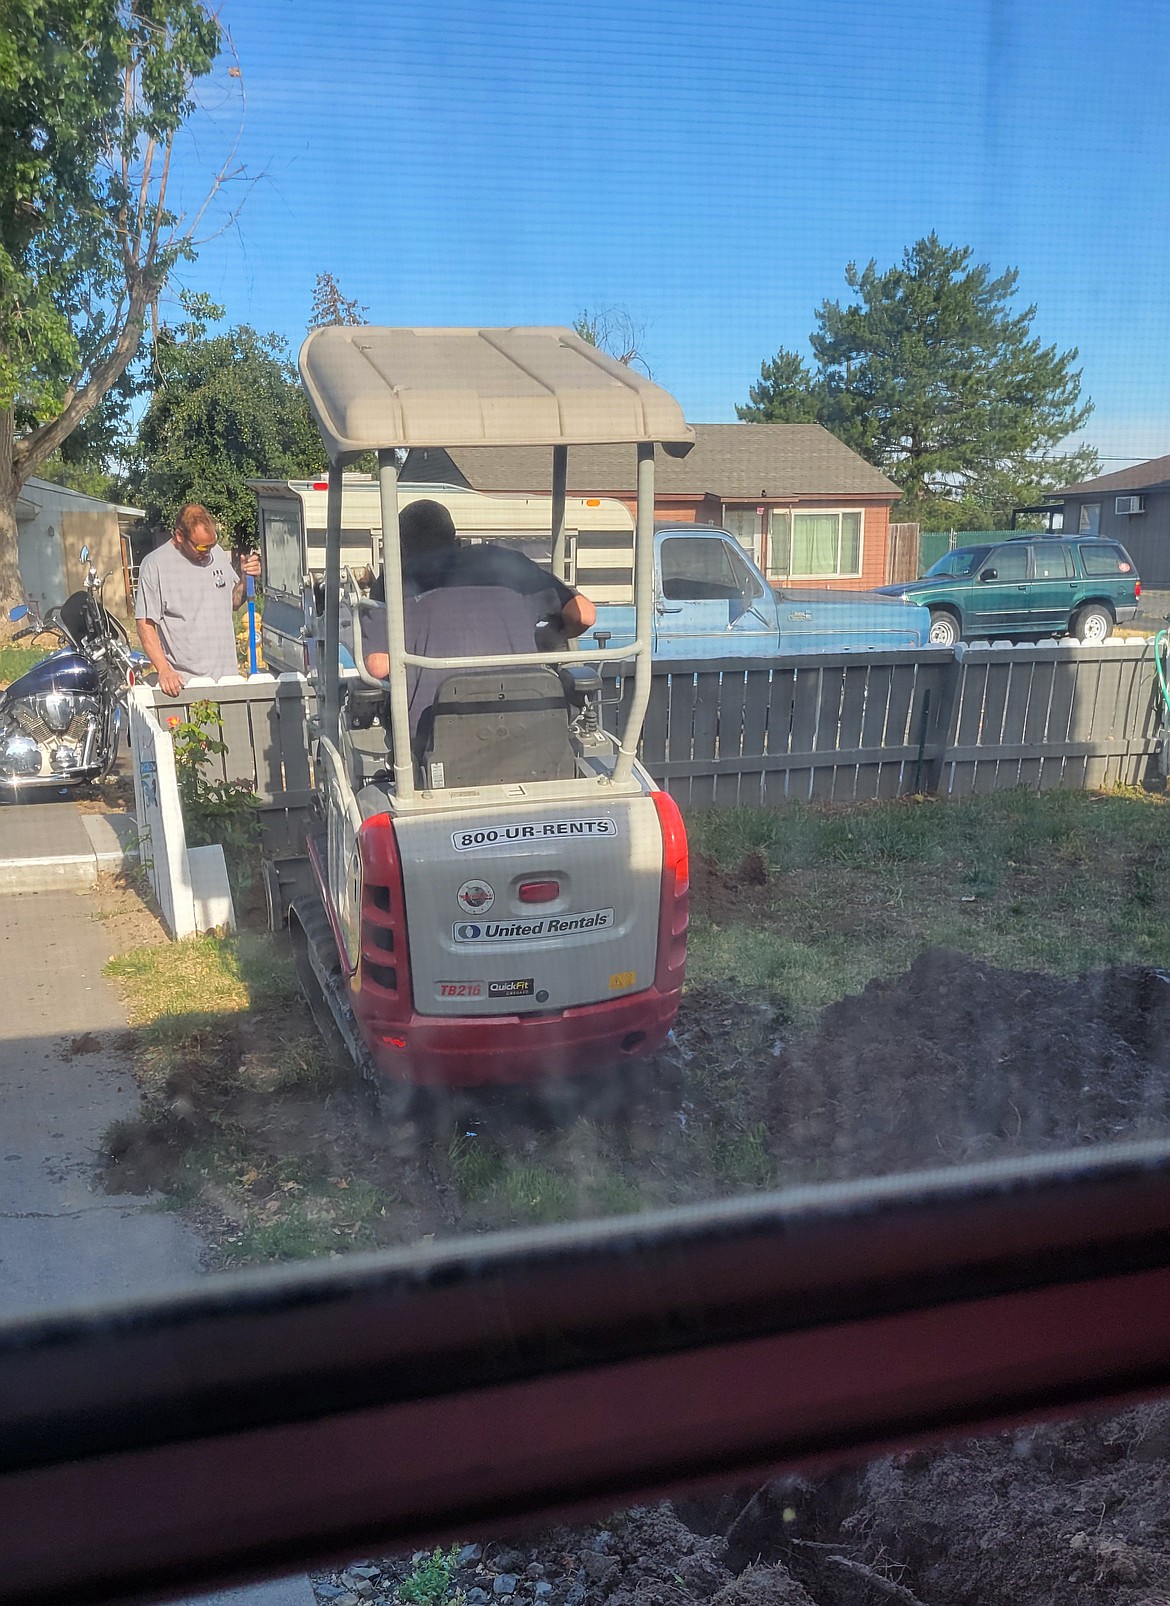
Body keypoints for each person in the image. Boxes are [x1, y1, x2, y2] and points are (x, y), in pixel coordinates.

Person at [360, 498, 596, 682]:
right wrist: (543, 640)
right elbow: (584, 614)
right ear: (456, 539)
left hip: (436, 731)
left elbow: (379, 666)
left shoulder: (393, 581)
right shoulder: (507, 562)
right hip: (526, 720)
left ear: (402, 548)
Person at [135, 504, 263, 696]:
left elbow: (234, 602)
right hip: (186, 685)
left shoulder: (217, 553)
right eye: (202, 547)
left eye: (212, 544)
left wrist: (245, 580)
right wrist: (163, 670)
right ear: (180, 536)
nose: (208, 552)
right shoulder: (156, 566)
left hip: (227, 680)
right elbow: (145, 623)